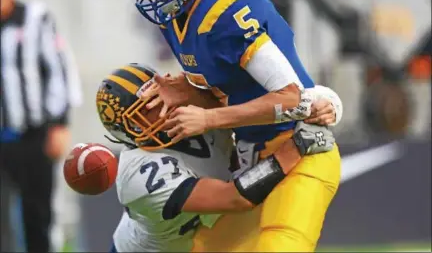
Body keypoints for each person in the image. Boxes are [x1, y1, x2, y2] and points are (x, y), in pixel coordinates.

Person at [126, 0, 341, 251]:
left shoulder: (227, 10)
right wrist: (186, 88)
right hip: (256, 160)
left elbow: (293, 98)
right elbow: (227, 86)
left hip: (301, 148)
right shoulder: (176, 17)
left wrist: (209, 119)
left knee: (278, 246)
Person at [96, 63, 342, 252]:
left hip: (207, 238)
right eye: (146, 109)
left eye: (158, 96)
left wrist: (326, 102)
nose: (163, 107)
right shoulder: (139, 174)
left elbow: (274, 99)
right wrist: (295, 148)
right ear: (129, 130)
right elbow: (235, 198)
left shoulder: (193, 104)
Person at [0, 0, 82, 252]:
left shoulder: (36, 18)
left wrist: (60, 123)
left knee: (38, 215)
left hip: (33, 134)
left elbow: (60, 69)